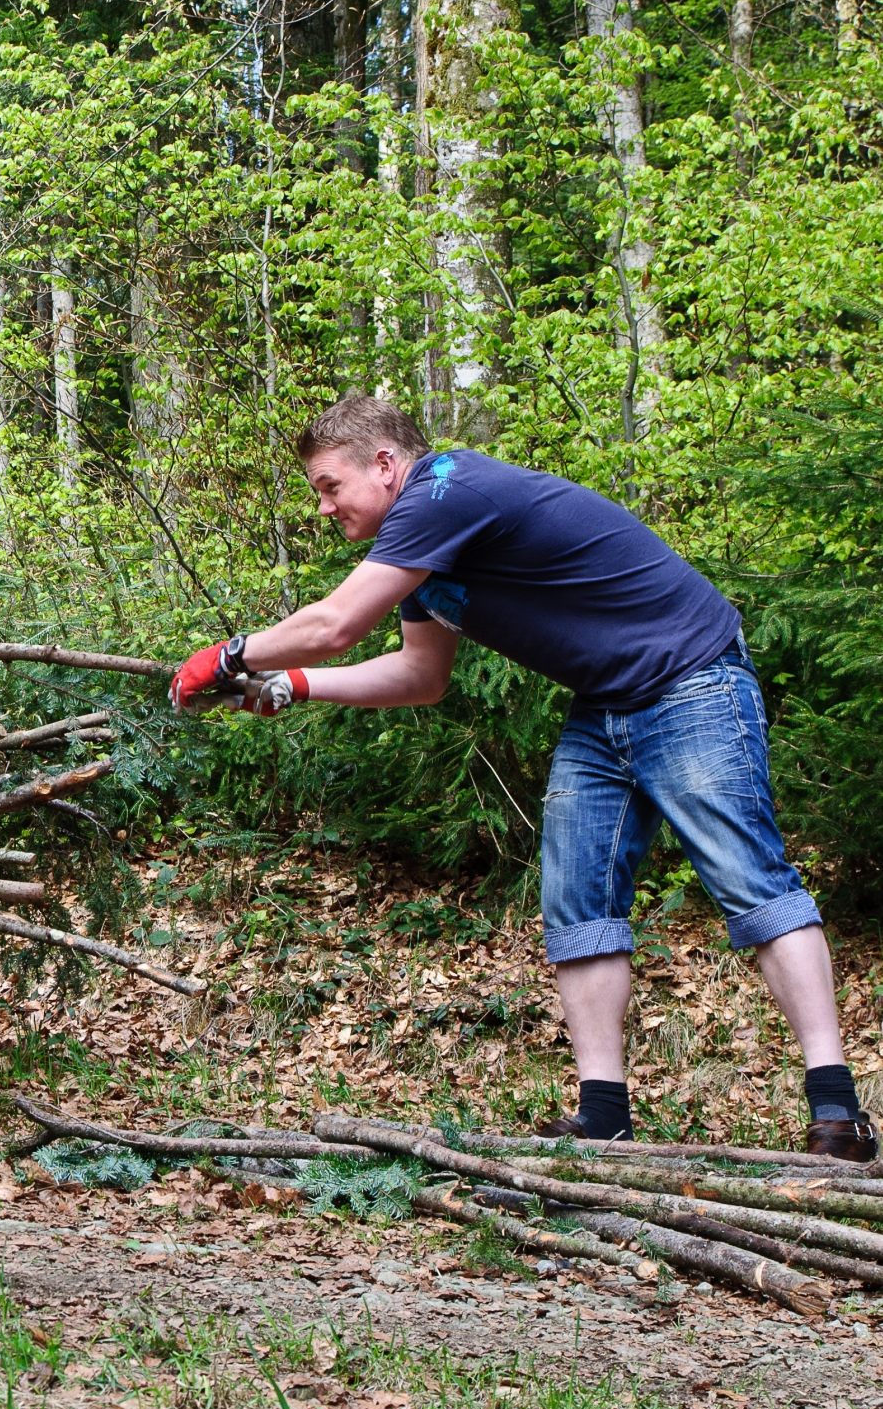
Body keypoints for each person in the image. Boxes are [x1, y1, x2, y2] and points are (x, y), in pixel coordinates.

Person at [171, 394, 875, 1161]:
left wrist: (235, 654)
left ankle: (837, 1114)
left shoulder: (445, 490)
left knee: (751, 882)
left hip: (691, 679)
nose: (322, 506)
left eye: (327, 485)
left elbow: (337, 625)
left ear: (383, 464)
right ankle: (603, 1116)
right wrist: (292, 686)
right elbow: (417, 675)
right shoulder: (420, 551)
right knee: (577, 896)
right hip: (603, 703)